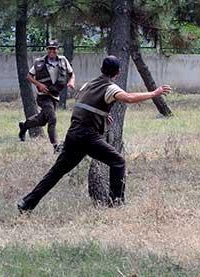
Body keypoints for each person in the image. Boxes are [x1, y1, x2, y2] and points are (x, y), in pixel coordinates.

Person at [17, 55, 172, 214]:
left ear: (101, 70)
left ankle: (27, 202)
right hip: (87, 135)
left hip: (73, 133)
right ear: (118, 72)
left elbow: (83, 103)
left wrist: (102, 115)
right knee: (118, 162)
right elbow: (128, 98)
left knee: (56, 172)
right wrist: (155, 93)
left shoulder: (88, 84)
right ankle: (116, 205)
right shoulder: (110, 87)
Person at [18, 40, 75, 153]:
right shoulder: (39, 62)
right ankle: (56, 146)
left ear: (58, 50)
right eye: (50, 49)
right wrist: (39, 85)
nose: (52, 51)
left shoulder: (63, 60)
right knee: (52, 118)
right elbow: (29, 76)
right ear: (47, 50)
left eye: (54, 49)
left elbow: (71, 74)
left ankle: (24, 126)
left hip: (55, 96)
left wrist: (72, 82)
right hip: (43, 97)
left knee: (42, 120)